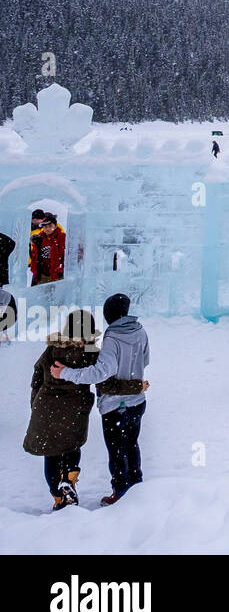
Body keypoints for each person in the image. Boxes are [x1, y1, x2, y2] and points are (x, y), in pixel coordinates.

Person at [25, 311, 141, 510]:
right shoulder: (89, 351)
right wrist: (136, 386)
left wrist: (35, 401)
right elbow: (105, 382)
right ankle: (68, 482)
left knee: (51, 453)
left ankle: (58, 497)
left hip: (45, 408)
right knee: (71, 448)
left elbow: (37, 374)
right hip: (74, 411)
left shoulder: (53, 348)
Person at [51, 293, 150, 505]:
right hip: (138, 402)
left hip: (115, 406)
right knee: (132, 444)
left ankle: (121, 491)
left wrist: (66, 372)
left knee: (117, 451)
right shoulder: (140, 331)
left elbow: (101, 372)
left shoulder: (112, 337)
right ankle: (137, 486)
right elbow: (146, 359)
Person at [32, 212, 66, 285]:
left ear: (56, 226)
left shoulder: (62, 237)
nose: (48, 228)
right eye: (45, 227)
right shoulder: (39, 238)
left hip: (58, 275)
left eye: (50, 226)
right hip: (43, 275)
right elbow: (34, 257)